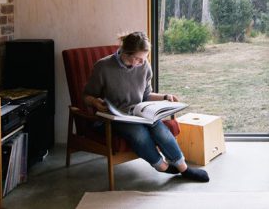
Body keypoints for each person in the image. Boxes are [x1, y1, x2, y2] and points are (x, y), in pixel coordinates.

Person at [83, 31, 209, 182]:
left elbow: (146, 95)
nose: (142, 62)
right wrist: (95, 102)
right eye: (138, 59)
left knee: (160, 129)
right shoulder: (103, 67)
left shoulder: (144, 66)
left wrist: (165, 97)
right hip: (114, 118)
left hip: (138, 113)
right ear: (125, 52)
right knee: (139, 134)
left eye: (144, 58)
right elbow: (86, 96)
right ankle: (162, 167)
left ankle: (184, 169)